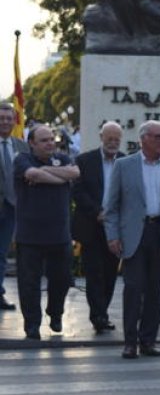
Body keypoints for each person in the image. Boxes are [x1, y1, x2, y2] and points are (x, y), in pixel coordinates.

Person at [104, 120, 160, 358]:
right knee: (133, 288)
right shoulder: (124, 165)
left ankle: (148, 340)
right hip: (133, 236)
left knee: (155, 290)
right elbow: (111, 206)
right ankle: (130, 341)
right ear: (144, 139)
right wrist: (112, 236)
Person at [13, 125, 79, 340]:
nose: (50, 143)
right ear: (32, 143)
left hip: (59, 234)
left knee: (61, 279)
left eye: (52, 139)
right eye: (44, 140)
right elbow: (32, 173)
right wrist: (60, 177)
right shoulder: (22, 159)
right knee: (29, 283)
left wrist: (46, 173)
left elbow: (75, 172)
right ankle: (32, 324)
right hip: (30, 234)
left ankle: (55, 313)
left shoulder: (62, 157)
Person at [72, 121, 124, 332]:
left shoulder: (126, 161)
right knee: (94, 273)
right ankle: (98, 316)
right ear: (101, 137)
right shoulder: (84, 160)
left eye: (116, 139)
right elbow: (78, 191)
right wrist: (97, 212)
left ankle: (103, 311)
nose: (113, 143)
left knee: (111, 273)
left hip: (116, 228)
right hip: (91, 226)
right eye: (109, 138)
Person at [0, 102, 29, 311]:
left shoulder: (21, 146)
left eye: (9, 118)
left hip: (12, 208)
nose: (5, 122)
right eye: (1, 118)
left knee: (1, 253)